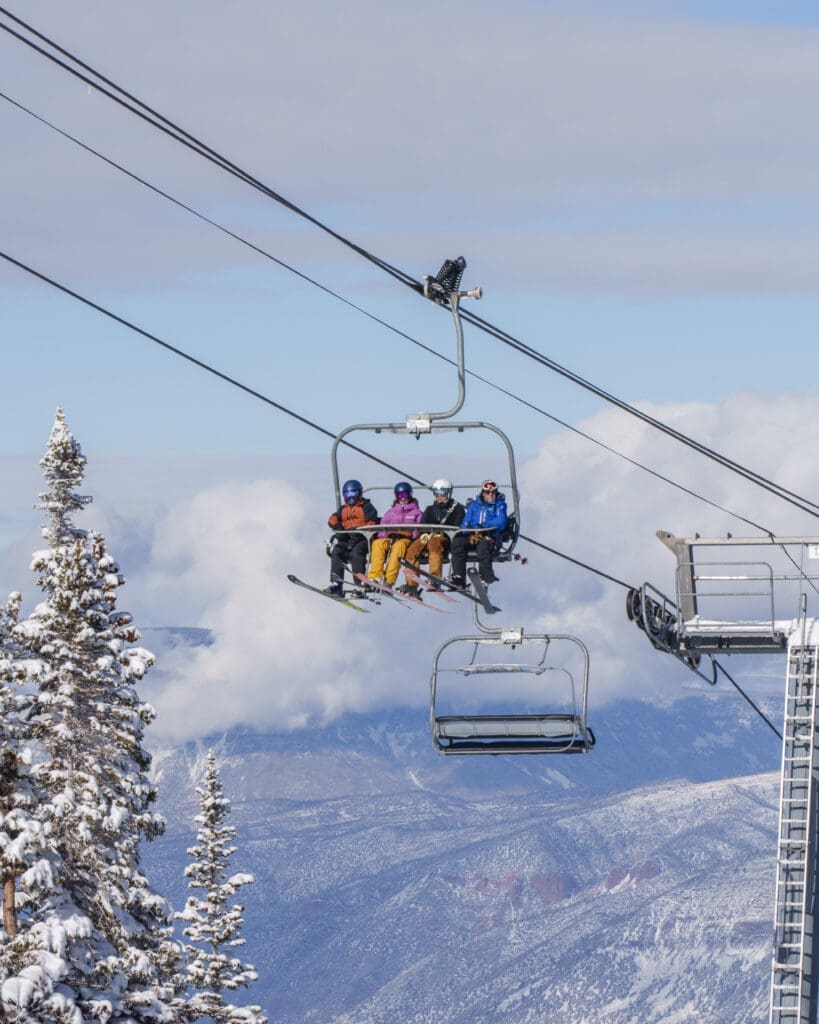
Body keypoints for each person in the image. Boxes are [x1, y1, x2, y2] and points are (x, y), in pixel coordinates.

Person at [400, 478, 465, 596]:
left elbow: (458, 526)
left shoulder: (457, 509)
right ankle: (412, 584)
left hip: (445, 537)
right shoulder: (430, 509)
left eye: (443, 492)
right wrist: (426, 532)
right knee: (412, 549)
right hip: (428, 535)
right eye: (436, 492)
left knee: (434, 544)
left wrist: (441, 532)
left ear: (449, 493)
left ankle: (435, 578)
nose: (439, 496)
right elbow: (423, 525)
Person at [449, 479, 508, 588]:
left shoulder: (500, 505)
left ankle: (486, 576)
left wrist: (483, 527)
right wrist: (470, 533)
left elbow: (501, 521)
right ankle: (458, 577)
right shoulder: (474, 506)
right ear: (482, 493)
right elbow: (465, 522)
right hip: (473, 536)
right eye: (487, 492)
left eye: (493, 492)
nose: (491, 495)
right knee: (457, 543)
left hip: (490, 537)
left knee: (483, 547)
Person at [326, 479, 379, 596]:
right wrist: (338, 527)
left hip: (362, 538)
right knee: (337, 551)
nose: (350, 497)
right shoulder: (343, 509)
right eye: (347, 494)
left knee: (356, 553)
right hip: (346, 538)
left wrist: (360, 532)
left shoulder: (366, 506)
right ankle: (337, 583)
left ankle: (360, 585)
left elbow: (372, 521)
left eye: (353, 494)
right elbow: (332, 518)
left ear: (359, 494)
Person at [367, 482, 423, 588]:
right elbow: (382, 528)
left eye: (404, 495)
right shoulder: (391, 512)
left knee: (399, 547)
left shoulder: (416, 512)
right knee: (378, 543)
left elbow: (420, 529)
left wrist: (410, 533)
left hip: (406, 539)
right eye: (399, 496)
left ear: (410, 495)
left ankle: (389, 579)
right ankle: (375, 575)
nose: (402, 499)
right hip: (391, 537)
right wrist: (387, 533)